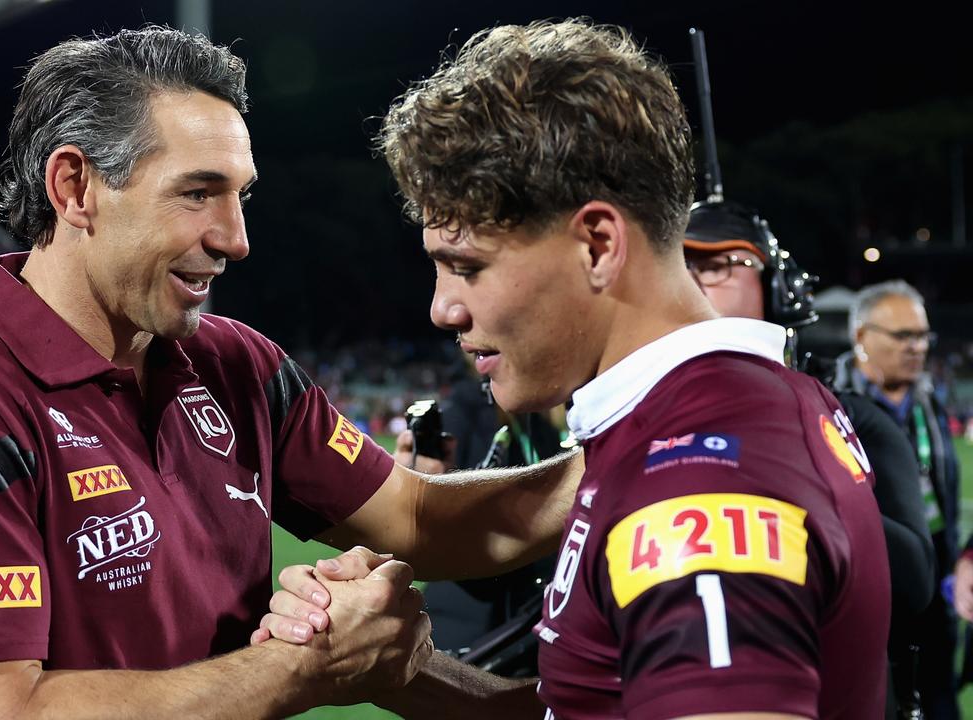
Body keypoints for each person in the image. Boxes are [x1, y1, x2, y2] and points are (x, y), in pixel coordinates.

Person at [0, 27, 584, 720]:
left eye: (240, 195)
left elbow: (420, 519)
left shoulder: (238, 366)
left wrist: (629, 450)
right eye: (198, 193)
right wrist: (309, 662)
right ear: (75, 188)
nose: (235, 238)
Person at [257, 19, 890, 718]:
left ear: (596, 245)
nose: (443, 309)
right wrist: (407, 675)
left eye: (468, 266)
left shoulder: (699, 492)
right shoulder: (704, 420)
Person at [683, 201, 934, 717]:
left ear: (779, 291)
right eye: (679, 267)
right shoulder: (636, 424)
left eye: (714, 266)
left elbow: (913, 580)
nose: (692, 282)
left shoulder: (851, 420)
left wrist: (779, 472)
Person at [834, 280, 962, 720]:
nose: (917, 348)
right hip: (874, 592)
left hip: (936, 583)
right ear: (860, 336)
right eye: (902, 336)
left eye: (922, 335)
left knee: (941, 698)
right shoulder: (827, 402)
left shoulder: (927, 399)